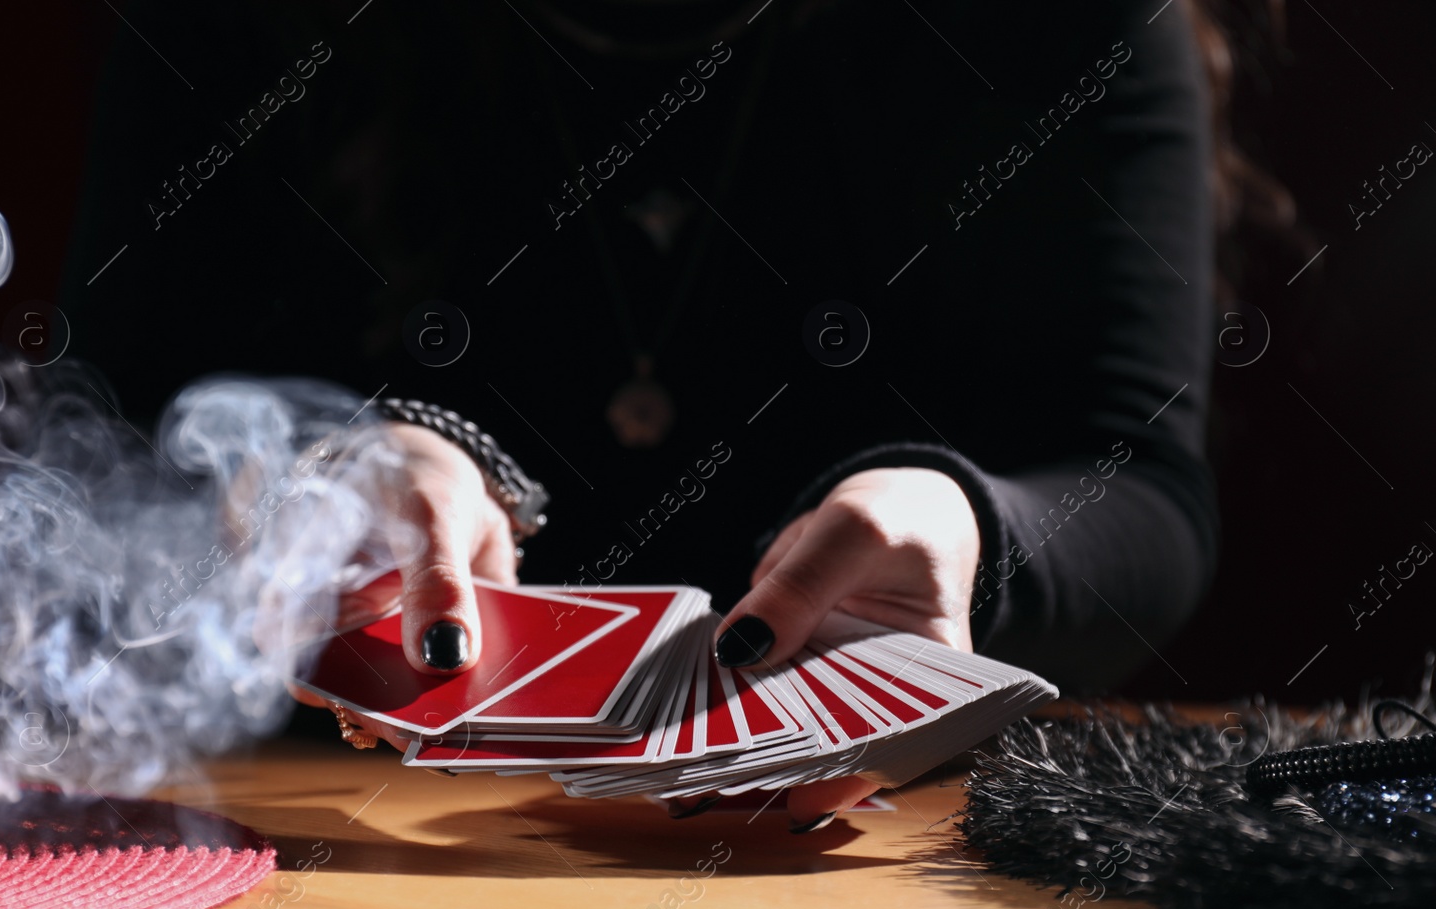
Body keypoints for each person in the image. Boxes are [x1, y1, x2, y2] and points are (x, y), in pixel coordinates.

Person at [63, 0, 1220, 827]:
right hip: (315, 856)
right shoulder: (241, 23)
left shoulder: (1058, 25)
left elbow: (1143, 491)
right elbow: (90, 449)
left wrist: (965, 526)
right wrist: (299, 478)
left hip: (865, 876)